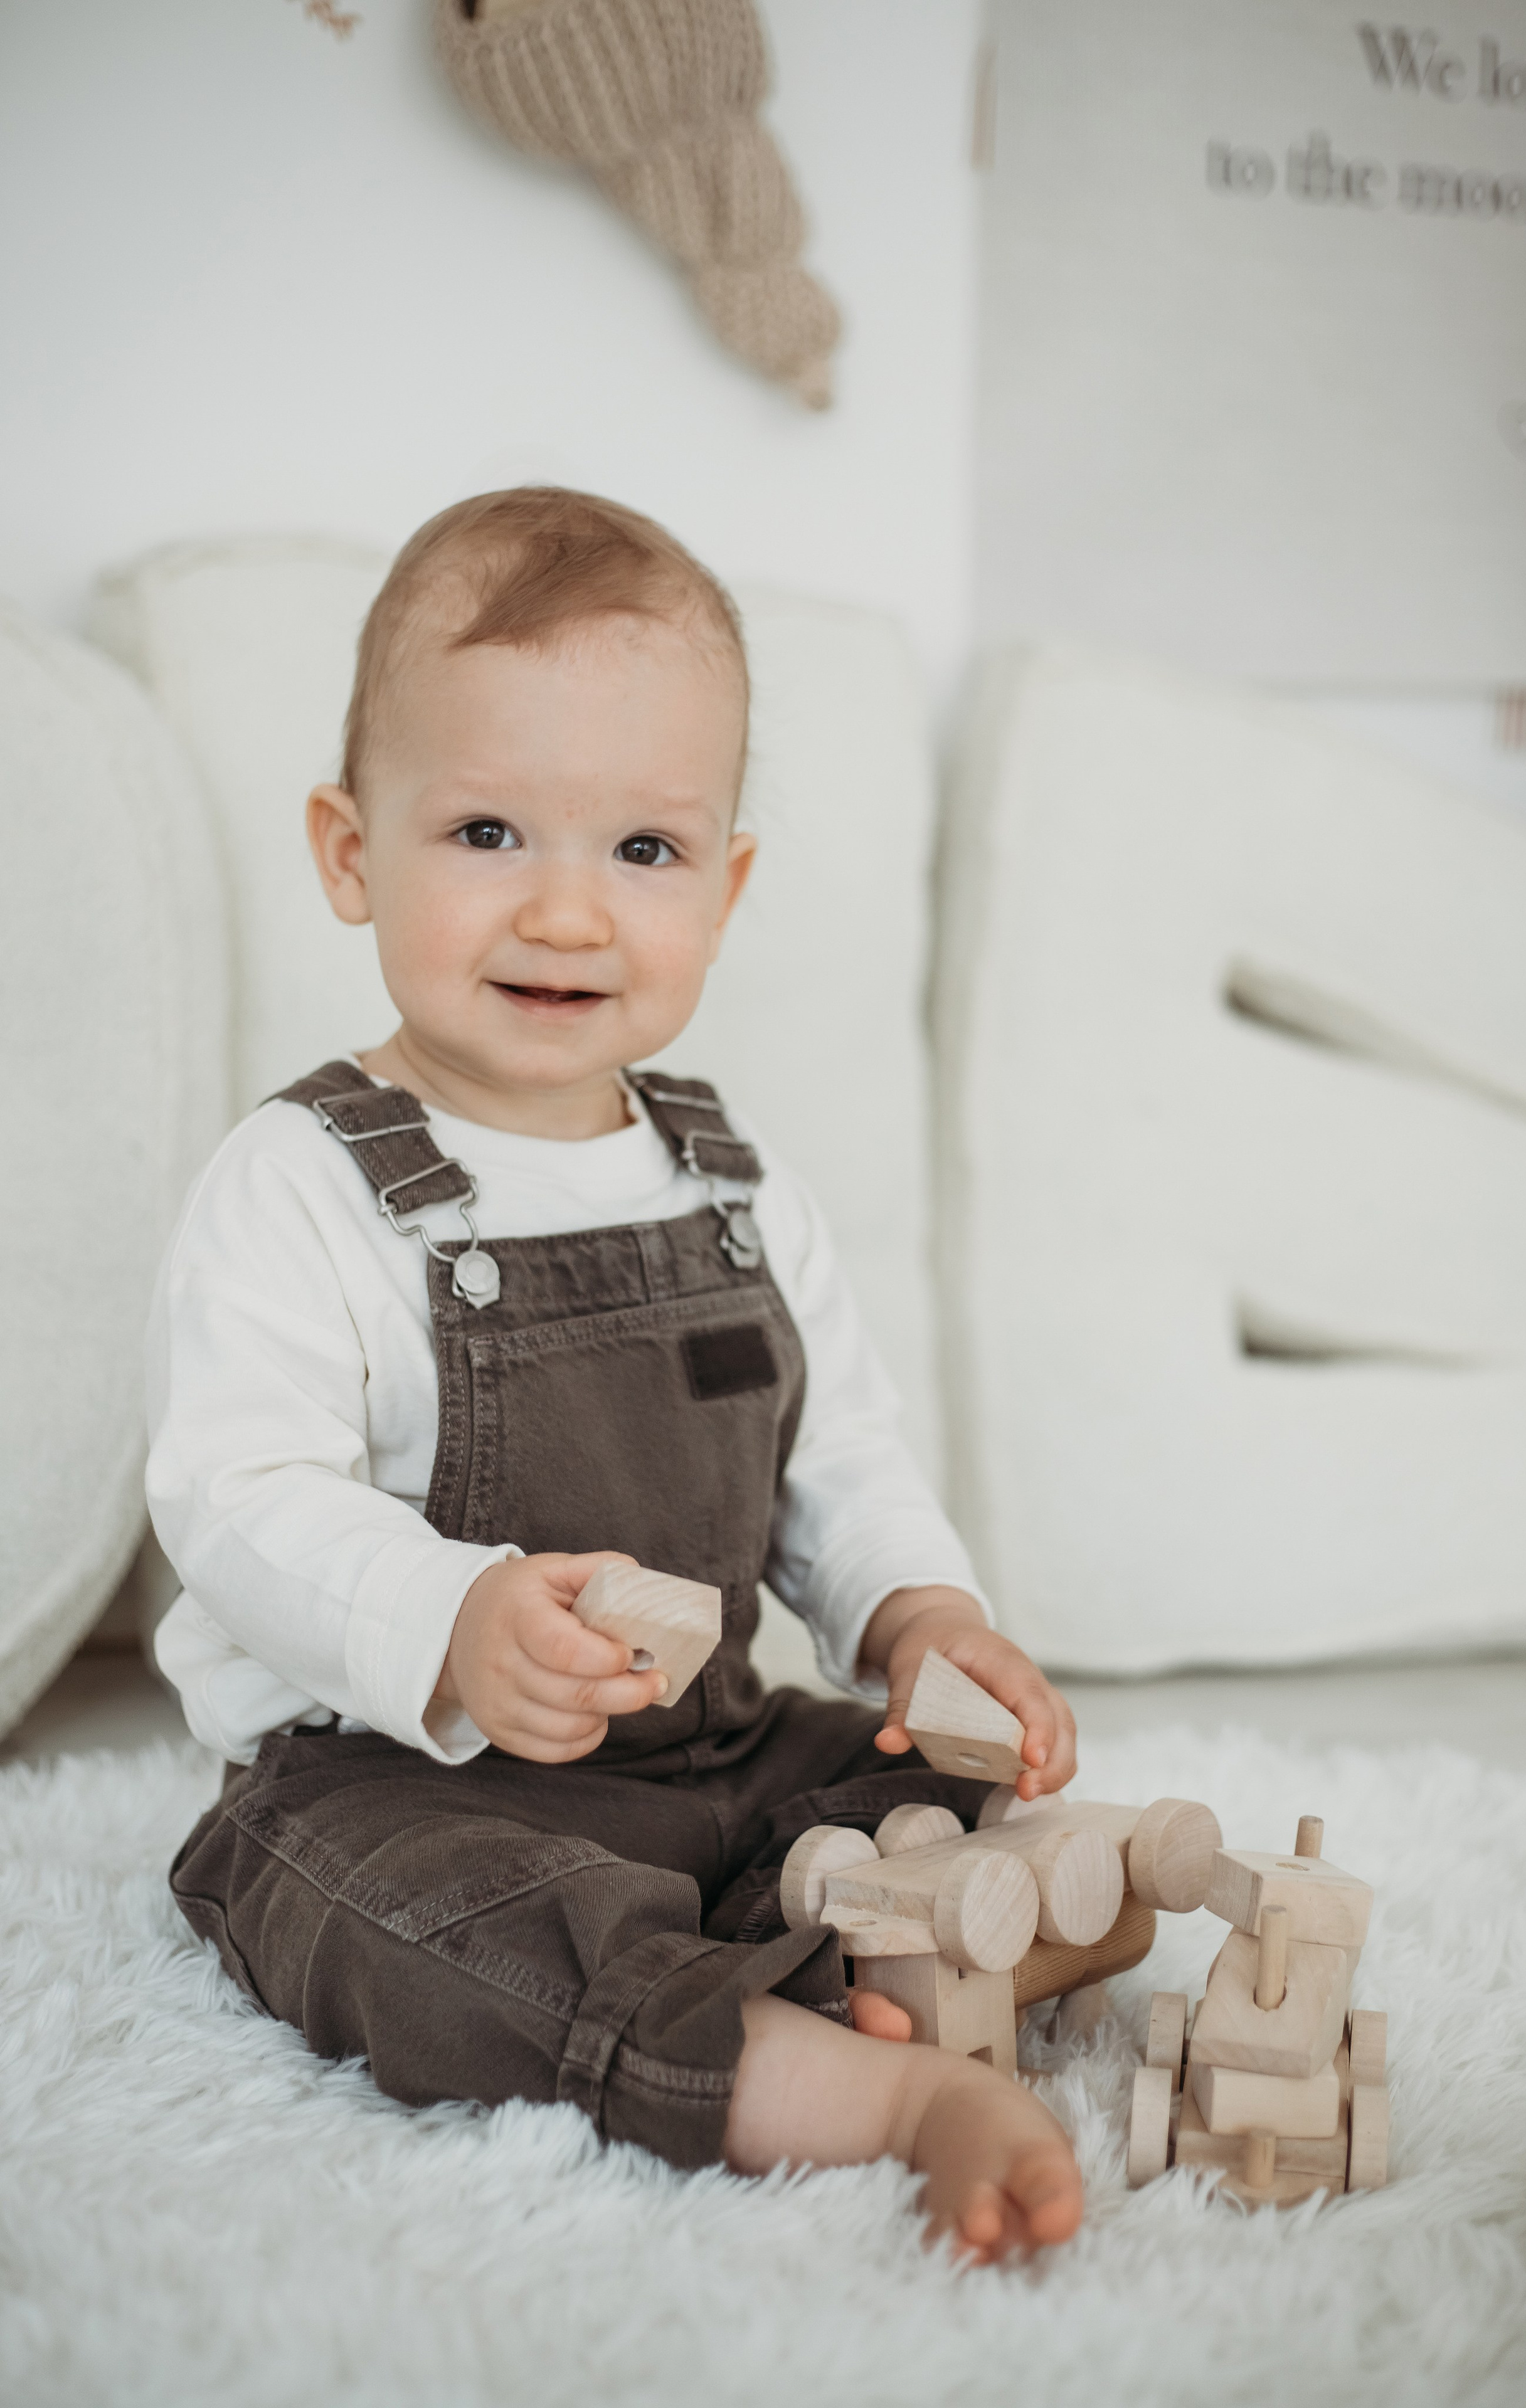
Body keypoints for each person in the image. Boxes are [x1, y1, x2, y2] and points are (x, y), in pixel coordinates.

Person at [151, 488, 1083, 2261]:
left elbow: (840, 1456)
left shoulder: (735, 1187)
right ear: (351, 854)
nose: (569, 911)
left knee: (936, 1780)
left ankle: (882, 1917)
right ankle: (865, 2084)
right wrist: (449, 1620)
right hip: (403, 1781)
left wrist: (920, 1616)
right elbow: (235, 1499)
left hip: (709, 1752)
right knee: (402, 1923)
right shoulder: (299, 1184)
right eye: (489, 830)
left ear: (726, 888)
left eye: (645, 850)